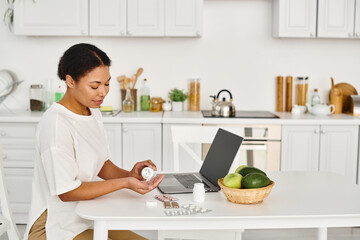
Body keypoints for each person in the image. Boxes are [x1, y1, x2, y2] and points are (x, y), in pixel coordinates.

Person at [24, 43, 164, 240]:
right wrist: (124, 183)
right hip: (55, 226)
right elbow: (68, 192)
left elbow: (101, 164)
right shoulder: (55, 124)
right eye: (94, 86)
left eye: (106, 83)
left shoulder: (92, 111)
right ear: (70, 81)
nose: (103, 92)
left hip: (85, 214)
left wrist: (131, 175)